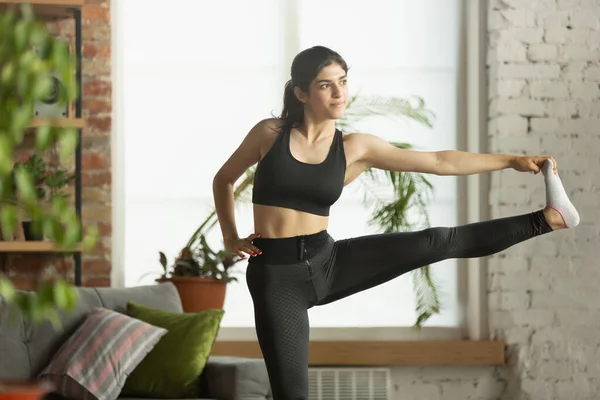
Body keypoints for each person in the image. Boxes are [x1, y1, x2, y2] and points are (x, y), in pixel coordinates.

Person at [212, 45, 580, 399]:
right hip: (277, 279)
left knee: (437, 241)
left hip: (328, 262)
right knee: (292, 395)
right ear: (302, 93)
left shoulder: (355, 147)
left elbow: (439, 162)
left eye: (343, 81)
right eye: (326, 84)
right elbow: (224, 178)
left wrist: (511, 160)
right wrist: (230, 236)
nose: (340, 92)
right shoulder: (269, 134)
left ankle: (547, 219)